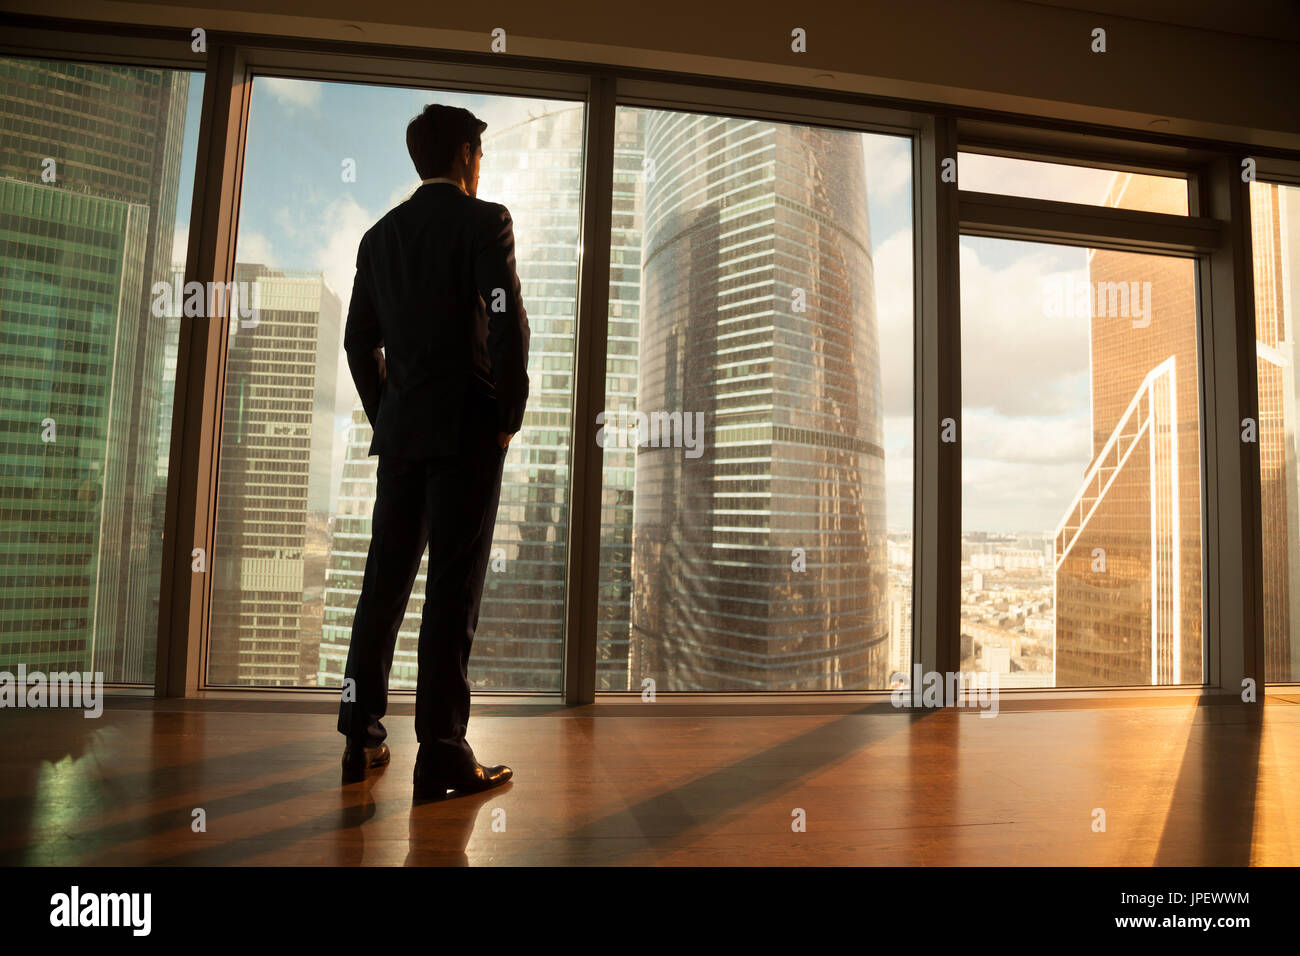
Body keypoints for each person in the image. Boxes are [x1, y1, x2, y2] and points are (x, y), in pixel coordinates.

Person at [336, 103, 529, 799]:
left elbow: (361, 342)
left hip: (404, 436)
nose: (483, 165)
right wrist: (507, 412)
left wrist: (387, 412)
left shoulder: (378, 237)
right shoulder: (486, 222)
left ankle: (359, 732)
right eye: (480, 153)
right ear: (465, 157)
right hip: (467, 433)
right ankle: (442, 752)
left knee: (382, 587)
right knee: (452, 591)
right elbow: (504, 313)